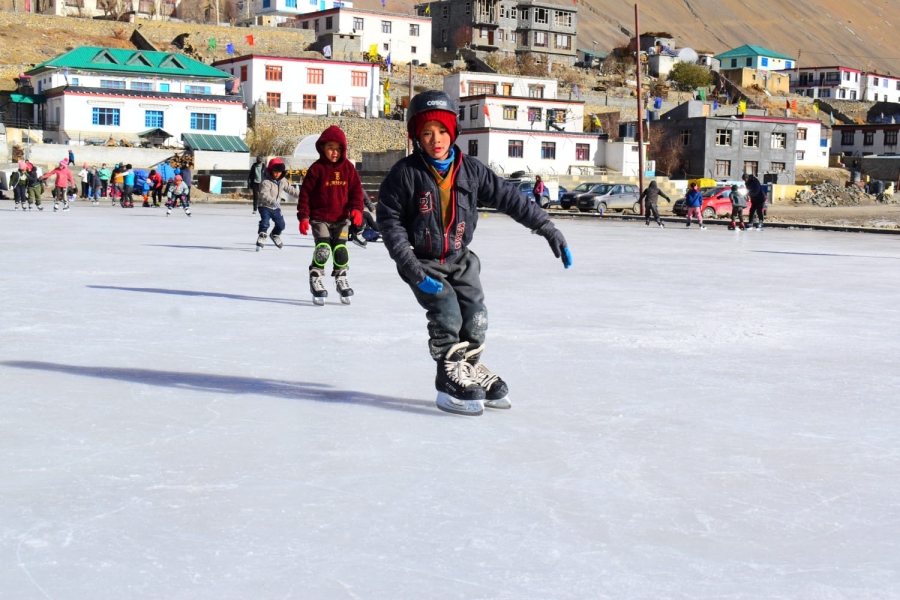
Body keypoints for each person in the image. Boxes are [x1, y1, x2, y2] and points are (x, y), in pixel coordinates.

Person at [376, 90, 572, 416]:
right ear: (416, 136)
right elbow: (390, 224)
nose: (435, 139)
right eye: (426, 132)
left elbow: (512, 199)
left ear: (453, 132)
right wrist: (412, 269)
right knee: (447, 314)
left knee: (476, 318)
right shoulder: (405, 174)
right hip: (424, 262)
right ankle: (447, 379)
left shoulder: (471, 170)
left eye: (441, 131)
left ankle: (468, 367)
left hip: (461, 259)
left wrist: (547, 228)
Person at [296, 125, 365, 305]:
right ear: (323, 148)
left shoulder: (348, 168)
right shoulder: (316, 169)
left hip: (342, 218)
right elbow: (305, 195)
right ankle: (316, 277)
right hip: (320, 218)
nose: (334, 152)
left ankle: (341, 277)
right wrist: (304, 217)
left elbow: (357, 192)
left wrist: (357, 210)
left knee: (340, 250)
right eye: (330, 148)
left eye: (338, 149)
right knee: (324, 249)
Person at [254, 157, 298, 251]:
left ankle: (275, 234)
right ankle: (262, 235)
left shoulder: (283, 180)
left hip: (276, 207)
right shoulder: (266, 182)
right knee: (265, 222)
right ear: (270, 170)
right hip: (265, 206)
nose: (277, 174)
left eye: (280, 172)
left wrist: (302, 196)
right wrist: (272, 201)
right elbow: (264, 194)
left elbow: (291, 190)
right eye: (275, 171)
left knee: (281, 224)